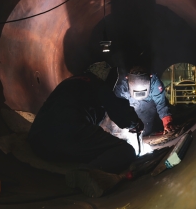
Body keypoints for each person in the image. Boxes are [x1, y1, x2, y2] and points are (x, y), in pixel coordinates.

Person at [27, 61, 144, 198]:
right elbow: (118, 110)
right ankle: (85, 172)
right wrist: (135, 123)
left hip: (37, 140)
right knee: (126, 151)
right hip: (70, 133)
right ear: (105, 77)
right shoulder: (96, 83)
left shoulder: (68, 82)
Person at [114, 65, 174, 136]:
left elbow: (161, 104)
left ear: (150, 77)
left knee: (148, 130)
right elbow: (118, 107)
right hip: (132, 110)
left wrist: (167, 123)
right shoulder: (122, 86)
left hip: (149, 110)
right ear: (128, 78)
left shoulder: (154, 83)